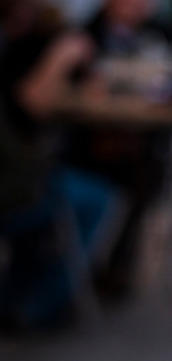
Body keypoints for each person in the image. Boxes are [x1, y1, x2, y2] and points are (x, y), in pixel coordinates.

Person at [0, 0, 120, 331]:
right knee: (96, 197)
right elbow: (31, 105)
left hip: (22, 167)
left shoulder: (34, 31)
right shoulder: (22, 36)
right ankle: (39, 308)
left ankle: (17, 299)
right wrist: (61, 58)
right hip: (15, 179)